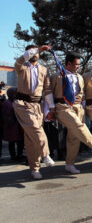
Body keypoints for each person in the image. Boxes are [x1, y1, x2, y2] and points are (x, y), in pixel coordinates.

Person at [51, 52, 92, 174]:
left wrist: (81, 102)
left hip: (78, 108)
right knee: (77, 125)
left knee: (74, 137)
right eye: (76, 64)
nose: (78, 67)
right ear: (69, 63)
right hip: (62, 107)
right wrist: (49, 110)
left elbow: (81, 94)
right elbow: (48, 92)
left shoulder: (80, 77)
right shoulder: (57, 76)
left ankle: (70, 163)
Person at [13, 45, 55, 179]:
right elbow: (21, 59)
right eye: (32, 52)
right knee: (36, 129)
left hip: (38, 105)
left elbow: (47, 90)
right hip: (22, 104)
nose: (35, 54)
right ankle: (46, 154)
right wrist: (37, 49)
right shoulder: (21, 66)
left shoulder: (44, 70)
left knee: (31, 138)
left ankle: (35, 168)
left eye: (37, 52)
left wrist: (51, 108)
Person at [2, 87, 25, 162]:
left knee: (20, 141)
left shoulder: (16, 101)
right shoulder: (7, 103)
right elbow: (6, 115)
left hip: (18, 125)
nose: (15, 95)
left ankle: (19, 154)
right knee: (12, 142)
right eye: (14, 93)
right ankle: (13, 156)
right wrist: (11, 122)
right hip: (11, 126)